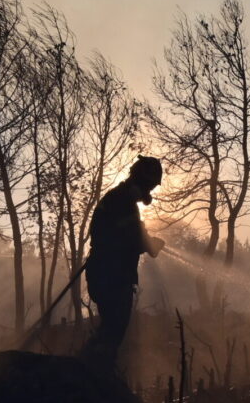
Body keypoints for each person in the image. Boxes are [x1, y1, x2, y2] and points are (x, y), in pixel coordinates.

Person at [82, 155, 166, 367]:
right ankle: (94, 372)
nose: (151, 192)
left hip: (104, 272)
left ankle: (91, 369)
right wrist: (150, 245)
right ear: (143, 181)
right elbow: (128, 240)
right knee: (113, 330)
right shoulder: (123, 201)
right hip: (113, 276)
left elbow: (127, 235)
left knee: (110, 329)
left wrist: (146, 241)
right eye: (151, 186)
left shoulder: (119, 199)